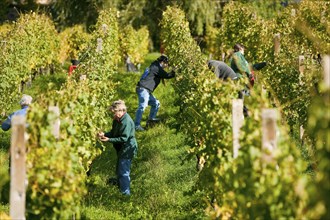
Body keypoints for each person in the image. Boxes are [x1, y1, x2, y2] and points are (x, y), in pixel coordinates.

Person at [98, 100, 138, 196]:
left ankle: (125, 194)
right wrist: (104, 134)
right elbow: (113, 132)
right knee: (120, 169)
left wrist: (109, 140)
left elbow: (123, 138)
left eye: (115, 112)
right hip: (122, 148)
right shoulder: (117, 119)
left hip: (127, 148)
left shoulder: (126, 122)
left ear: (121, 111)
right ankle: (121, 187)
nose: (114, 115)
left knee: (123, 171)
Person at [134, 55, 175, 131]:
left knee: (156, 103)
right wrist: (174, 71)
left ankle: (150, 121)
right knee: (142, 106)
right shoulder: (156, 68)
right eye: (167, 64)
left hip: (145, 90)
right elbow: (167, 75)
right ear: (163, 62)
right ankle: (136, 125)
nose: (166, 66)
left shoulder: (154, 65)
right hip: (143, 89)